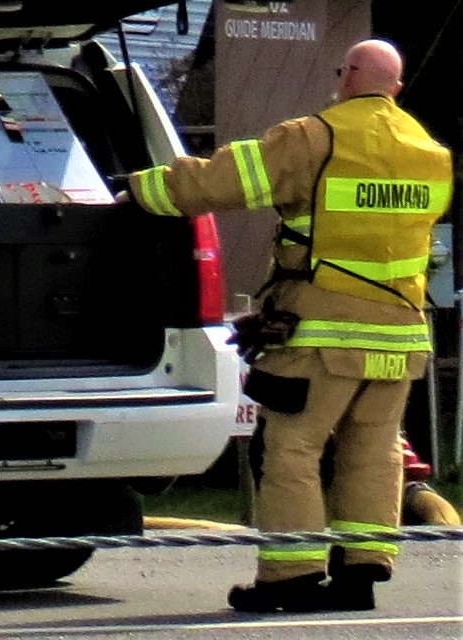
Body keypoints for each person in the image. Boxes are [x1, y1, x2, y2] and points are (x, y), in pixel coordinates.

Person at [131, 37, 450, 614]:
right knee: (373, 453)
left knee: (293, 450)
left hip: (323, 336)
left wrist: (133, 189)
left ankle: (291, 575)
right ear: (395, 89)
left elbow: (215, 184)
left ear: (348, 75)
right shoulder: (430, 153)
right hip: (401, 337)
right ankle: (362, 574)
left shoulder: (312, 138)